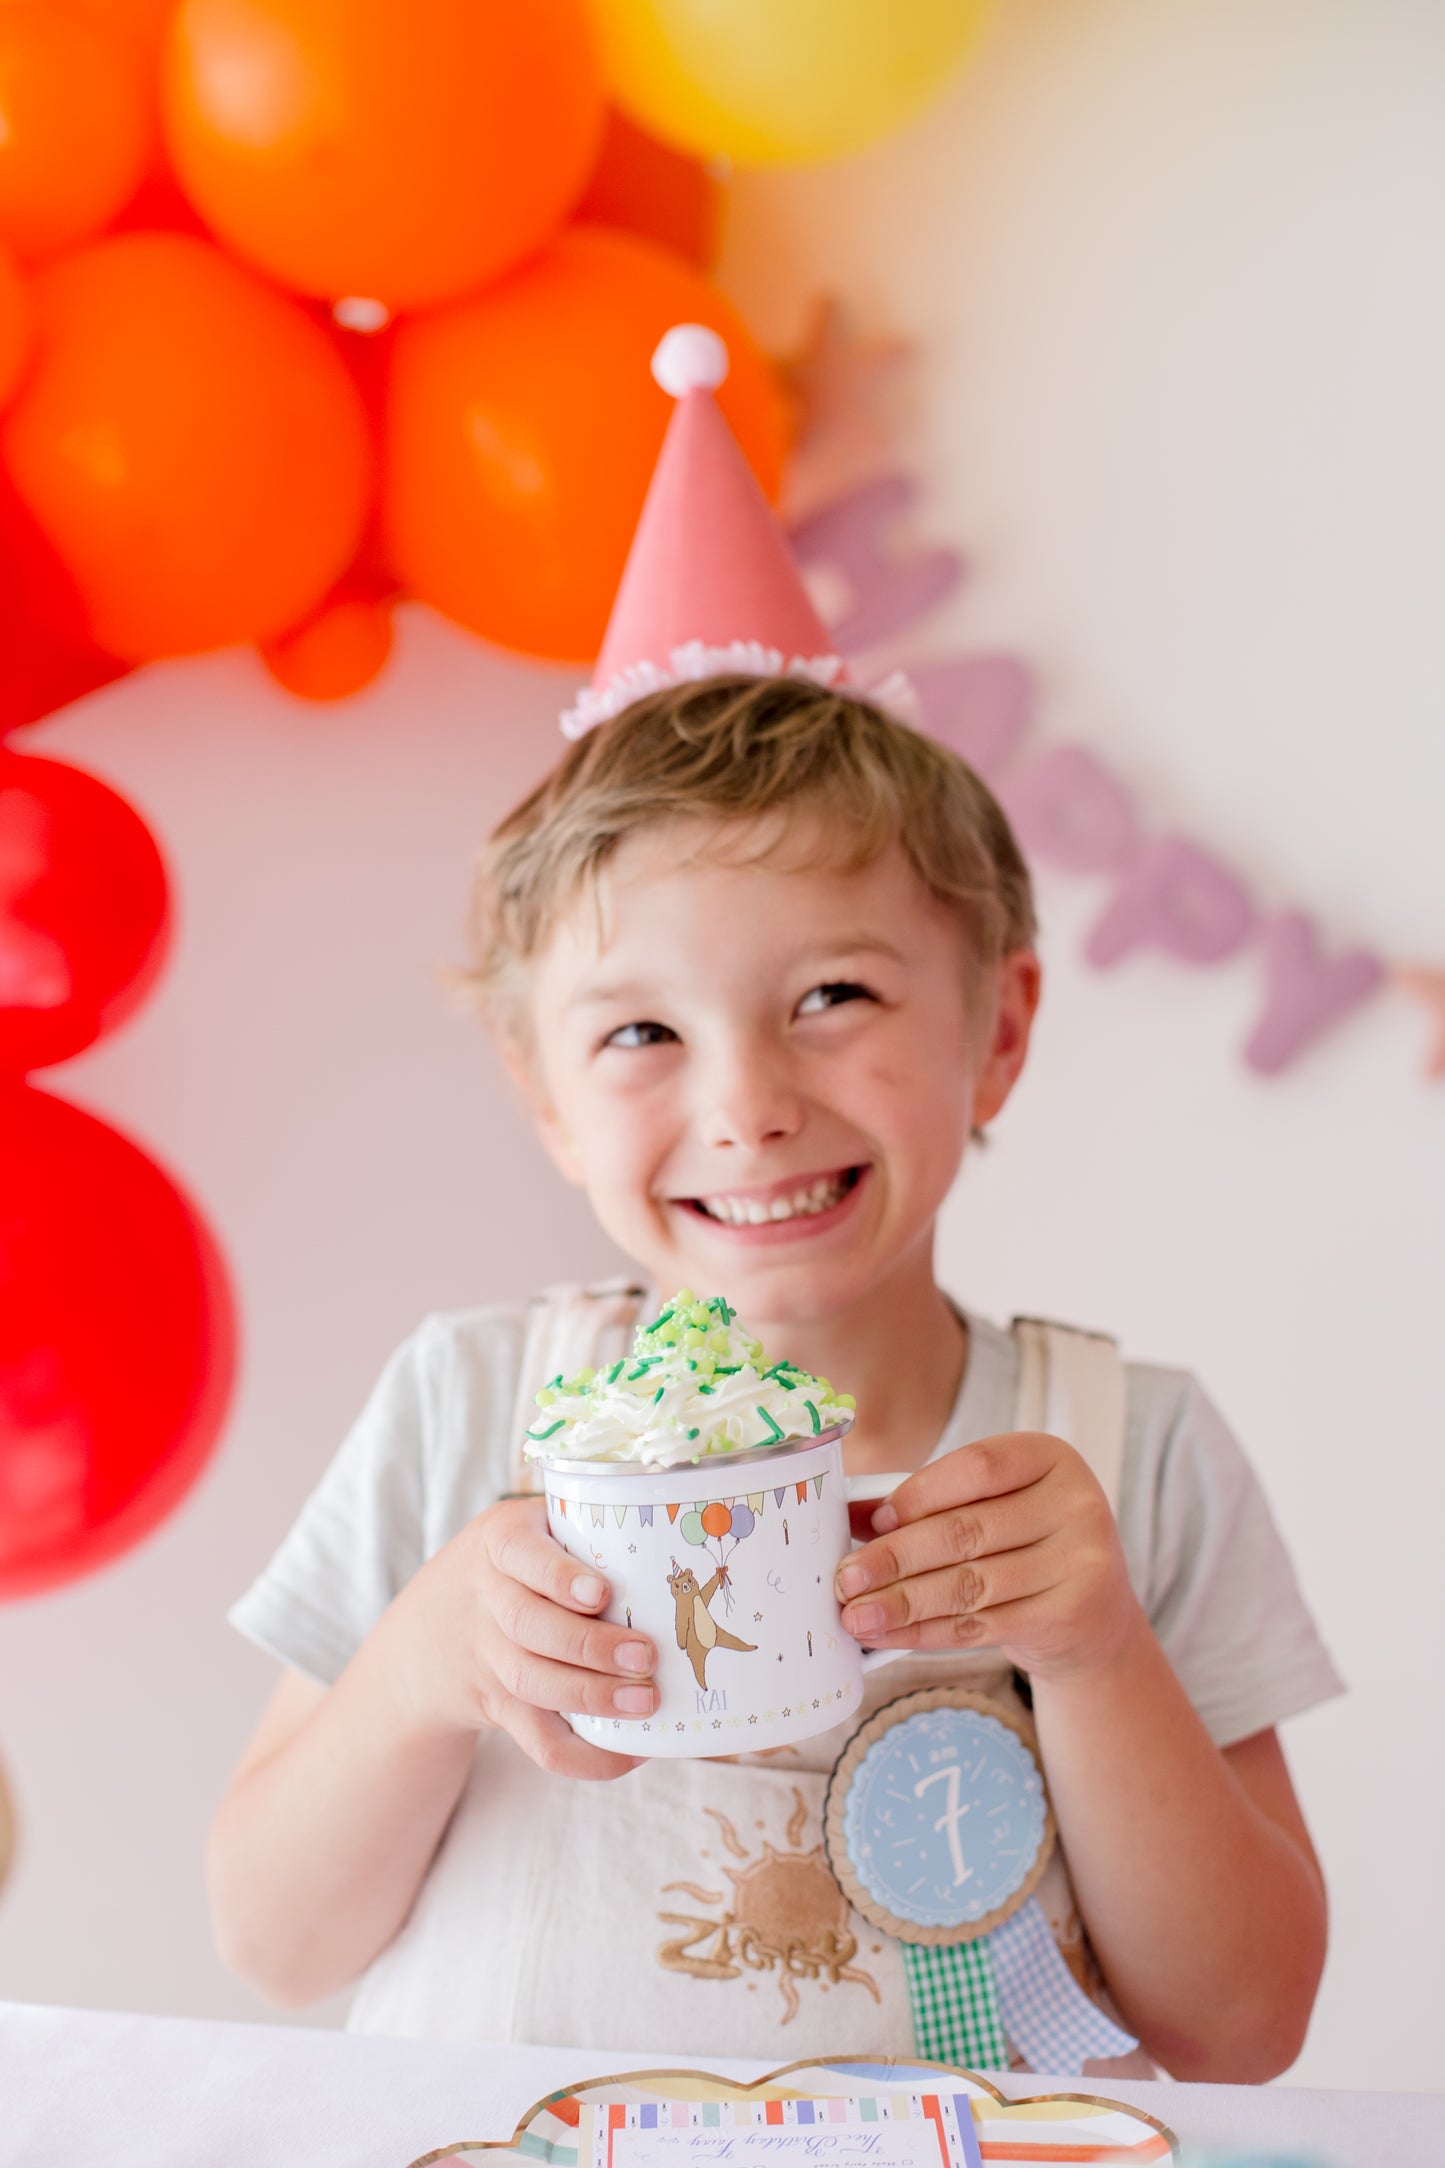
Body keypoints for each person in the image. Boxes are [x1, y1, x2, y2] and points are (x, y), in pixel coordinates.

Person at [210, 328, 1339, 2080]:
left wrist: (1099, 1658)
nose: (745, 1104)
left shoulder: (1133, 1451)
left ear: (998, 1032)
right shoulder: (462, 1411)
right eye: (643, 1031)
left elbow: (1244, 2022)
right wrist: (430, 1661)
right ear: (544, 1103)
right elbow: (275, 1946)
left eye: (833, 997)